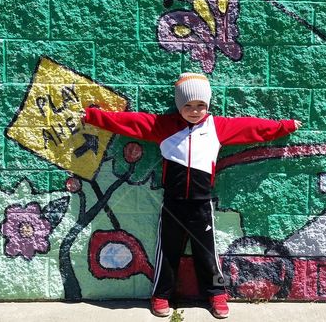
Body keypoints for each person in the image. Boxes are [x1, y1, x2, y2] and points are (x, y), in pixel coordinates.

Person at [82, 72, 301, 318]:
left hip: (201, 205)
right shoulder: (162, 127)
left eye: (200, 106)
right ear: (179, 105)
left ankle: (216, 295)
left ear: (207, 106)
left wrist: (285, 126)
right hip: (173, 204)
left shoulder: (218, 127)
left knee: (206, 252)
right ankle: (161, 295)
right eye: (188, 105)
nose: (195, 111)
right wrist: (92, 116)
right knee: (167, 251)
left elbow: (253, 128)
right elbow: (128, 122)